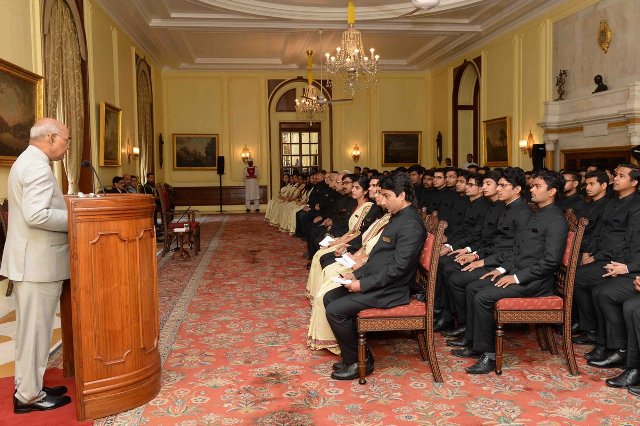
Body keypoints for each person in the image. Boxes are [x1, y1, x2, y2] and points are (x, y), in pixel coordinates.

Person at [452, 169, 568, 374]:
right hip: (518, 272)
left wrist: (516, 277)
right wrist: (502, 269)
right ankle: (475, 343)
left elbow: (550, 261)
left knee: (483, 297)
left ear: (552, 192)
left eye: (537, 186)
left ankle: (489, 356)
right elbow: (518, 250)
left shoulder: (556, 219)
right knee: (473, 287)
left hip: (535, 282)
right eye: (532, 186)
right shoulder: (537, 213)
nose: (532, 189)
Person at [323, 172, 426, 380]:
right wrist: (355, 275)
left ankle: (357, 362)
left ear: (402, 195)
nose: (383, 201)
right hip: (379, 281)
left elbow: (398, 269)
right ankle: (359, 354)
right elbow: (378, 257)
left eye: (387, 196)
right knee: (330, 297)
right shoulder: (398, 217)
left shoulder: (411, 224)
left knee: (335, 310)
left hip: (392, 289)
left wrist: (362, 284)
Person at [0, 118, 72, 413]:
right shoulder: (37, 166)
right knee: (35, 332)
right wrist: (77, 218)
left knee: (32, 331)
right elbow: (37, 215)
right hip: (37, 263)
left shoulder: (28, 160)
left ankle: (29, 386)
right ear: (51, 138)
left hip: (32, 260)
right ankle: (28, 397)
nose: (67, 146)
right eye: (66, 140)